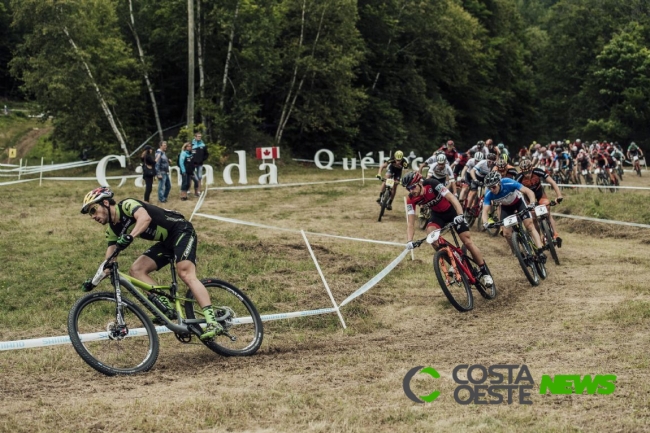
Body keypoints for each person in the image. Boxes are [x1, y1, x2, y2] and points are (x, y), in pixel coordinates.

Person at [79, 187, 222, 340]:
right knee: (136, 270)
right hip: (166, 242)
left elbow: (144, 218)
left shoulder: (127, 205)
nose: (93, 216)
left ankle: (212, 321)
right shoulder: (113, 230)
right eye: (90, 213)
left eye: (93, 210)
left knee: (185, 273)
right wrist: (94, 281)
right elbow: (109, 261)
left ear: (106, 203)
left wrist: (130, 236)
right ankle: (165, 306)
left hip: (181, 231)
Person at [402, 172, 493, 287]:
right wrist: (409, 241)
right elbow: (410, 223)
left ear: (419, 182)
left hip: (452, 211)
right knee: (432, 238)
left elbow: (451, 197)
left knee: (467, 241)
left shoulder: (432, 184)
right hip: (437, 216)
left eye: (412, 187)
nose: (411, 191)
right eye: (408, 188)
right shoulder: (411, 199)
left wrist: (460, 214)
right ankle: (455, 263)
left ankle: (484, 272)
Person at [481, 171, 547, 262]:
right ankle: (516, 251)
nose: (492, 189)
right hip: (506, 208)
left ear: (499, 183)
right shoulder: (489, 194)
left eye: (493, 187)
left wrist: (532, 203)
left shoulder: (508, 182)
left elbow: (528, 191)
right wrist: (485, 223)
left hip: (519, 203)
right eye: (489, 187)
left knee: (529, 226)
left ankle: (540, 251)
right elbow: (485, 211)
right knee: (506, 233)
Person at [515, 159, 564, 247]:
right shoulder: (518, 177)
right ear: (521, 172)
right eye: (525, 173)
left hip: (540, 193)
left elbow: (552, 182)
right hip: (528, 197)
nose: (527, 174)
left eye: (529, 171)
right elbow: (514, 191)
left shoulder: (537, 171)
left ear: (532, 169)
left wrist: (559, 195)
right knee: (533, 217)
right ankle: (539, 237)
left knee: (547, 211)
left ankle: (555, 234)